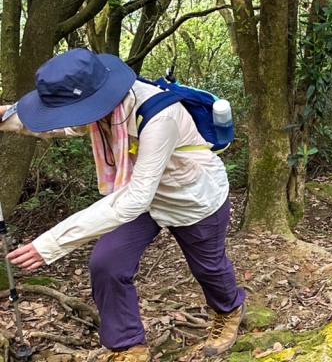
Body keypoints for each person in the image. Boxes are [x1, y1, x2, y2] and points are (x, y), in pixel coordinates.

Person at [0, 49, 245, 362]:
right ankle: (129, 346)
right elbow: (64, 124)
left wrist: (51, 243)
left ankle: (229, 310)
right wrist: (6, 117)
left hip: (192, 197)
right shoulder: (102, 107)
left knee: (209, 268)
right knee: (108, 263)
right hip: (140, 195)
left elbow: (135, 198)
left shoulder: (160, 116)